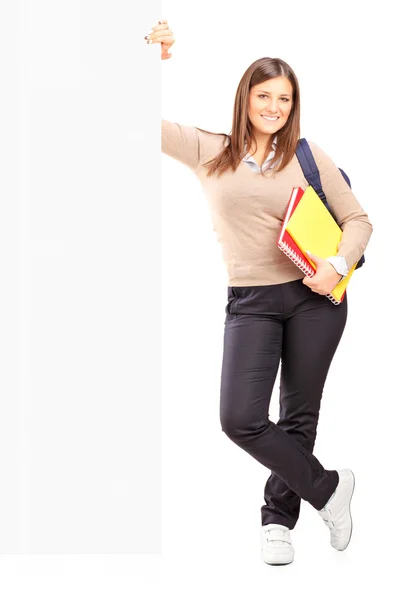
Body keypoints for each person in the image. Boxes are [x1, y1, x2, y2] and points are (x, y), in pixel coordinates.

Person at [146, 20, 373, 566]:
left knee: (298, 415)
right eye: (264, 94)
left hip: (314, 298)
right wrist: (152, 58)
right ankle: (329, 490)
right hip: (250, 301)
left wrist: (336, 263)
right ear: (245, 97)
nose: (273, 106)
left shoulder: (308, 154)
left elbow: (357, 221)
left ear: (293, 106)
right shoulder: (210, 150)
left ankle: (278, 522)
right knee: (240, 418)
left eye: (284, 98)